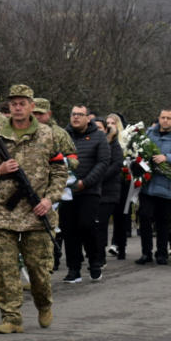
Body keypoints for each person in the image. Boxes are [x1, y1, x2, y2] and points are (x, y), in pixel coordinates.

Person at [0, 85, 67, 334]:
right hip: (5, 212)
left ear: (31, 106)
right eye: (13, 103)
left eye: (22, 103)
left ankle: (44, 304)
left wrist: (49, 199)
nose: (17, 107)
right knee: (6, 269)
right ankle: (11, 317)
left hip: (37, 213)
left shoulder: (48, 135)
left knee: (37, 270)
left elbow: (60, 171)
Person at [134, 108, 171, 266]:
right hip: (148, 184)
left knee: (163, 220)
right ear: (158, 119)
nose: (165, 120)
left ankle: (161, 253)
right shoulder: (148, 134)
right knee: (145, 217)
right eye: (162, 117)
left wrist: (167, 158)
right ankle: (146, 253)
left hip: (167, 186)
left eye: (168, 118)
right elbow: (137, 151)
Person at [60, 105, 110, 283]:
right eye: (73, 114)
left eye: (80, 115)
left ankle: (94, 262)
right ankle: (74, 268)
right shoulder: (63, 135)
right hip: (67, 191)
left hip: (89, 191)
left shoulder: (99, 137)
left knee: (87, 225)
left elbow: (103, 162)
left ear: (88, 118)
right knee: (69, 229)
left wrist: (85, 182)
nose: (75, 118)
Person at [33, 97, 78, 271]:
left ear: (49, 114)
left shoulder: (59, 133)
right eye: (34, 113)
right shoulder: (24, 130)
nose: (37, 117)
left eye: (41, 114)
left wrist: (62, 162)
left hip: (53, 187)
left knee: (51, 225)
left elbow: (73, 158)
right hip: (30, 186)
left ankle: (51, 261)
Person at [93, 116, 124, 268]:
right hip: (92, 190)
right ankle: (93, 254)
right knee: (91, 224)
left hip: (108, 191)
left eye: (100, 127)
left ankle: (100, 257)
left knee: (101, 224)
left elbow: (117, 165)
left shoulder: (114, 146)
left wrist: (97, 177)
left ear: (105, 130)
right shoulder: (90, 143)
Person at [105, 113, 132, 260]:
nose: (110, 125)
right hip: (106, 180)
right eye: (107, 122)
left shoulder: (125, 139)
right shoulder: (103, 139)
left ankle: (120, 244)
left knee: (121, 215)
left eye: (113, 123)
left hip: (122, 180)